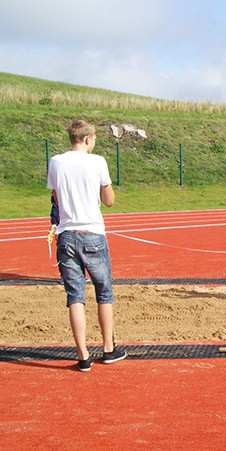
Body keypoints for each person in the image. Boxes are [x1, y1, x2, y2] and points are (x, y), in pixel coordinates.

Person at [46, 120, 126, 371]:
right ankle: (108, 348)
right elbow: (110, 200)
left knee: (75, 296)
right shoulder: (97, 162)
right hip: (92, 232)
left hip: (67, 234)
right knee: (104, 292)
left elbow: (56, 197)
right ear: (88, 139)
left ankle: (82, 356)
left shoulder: (56, 162)